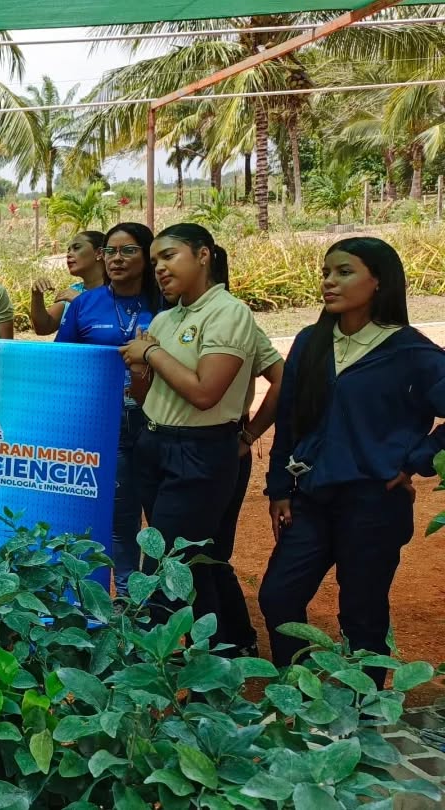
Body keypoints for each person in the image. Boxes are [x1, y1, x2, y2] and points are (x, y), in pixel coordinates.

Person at [259, 237, 445, 683]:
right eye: (326, 272)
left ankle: (364, 711)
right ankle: (301, 695)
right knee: (279, 597)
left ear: (378, 281)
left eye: (344, 272)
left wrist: (416, 459)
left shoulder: (410, 352)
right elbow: (289, 420)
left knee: (362, 612)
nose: (329, 282)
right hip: (311, 499)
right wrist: (279, 488)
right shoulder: (311, 342)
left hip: (374, 503)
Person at [119, 223, 256, 650]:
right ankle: (222, 656)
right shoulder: (165, 316)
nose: (159, 267)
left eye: (170, 256)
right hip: (155, 442)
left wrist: (153, 354)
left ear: (203, 256)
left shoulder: (228, 312)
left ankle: (164, 662)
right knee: (190, 561)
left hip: (198, 450)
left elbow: (204, 393)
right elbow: (146, 395)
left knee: (166, 564)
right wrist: (140, 369)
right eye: (155, 260)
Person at [55, 222, 163, 594]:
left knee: (164, 517)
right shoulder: (85, 303)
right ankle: (130, 600)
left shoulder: (166, 301)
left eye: (129, 250)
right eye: (111, 251)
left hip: (160, 421)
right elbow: (62, 361)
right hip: (105, 425)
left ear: (148, 256)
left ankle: (160, 598)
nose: (117, 259)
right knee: (120, 517)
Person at [31, 231, 105, 336]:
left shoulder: (116, 291)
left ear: (99, 253)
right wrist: (37, 295)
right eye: (68, 250)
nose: (68, 254)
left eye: (77, 248)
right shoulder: (74, 291)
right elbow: (44, 328)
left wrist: (82, 301)